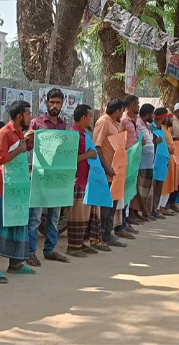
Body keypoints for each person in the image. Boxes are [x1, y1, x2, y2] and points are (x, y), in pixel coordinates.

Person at [0, 100, 35, 282]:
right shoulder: (4, 133)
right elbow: (0, 159)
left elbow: (20, 151)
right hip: (4, 189)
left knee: (17, 225)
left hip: (18, 188)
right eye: (28, 114)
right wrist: (21, 148)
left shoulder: (18, 132)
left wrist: (25, 142)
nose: (30, 117)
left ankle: (15, 264)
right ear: (19, 116)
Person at [27, 88, 70, 266]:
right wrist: (28, 139)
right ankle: (29, 252)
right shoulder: (36, 123)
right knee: (35, 217)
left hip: (57, 177)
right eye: (51, 102)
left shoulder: (63, 125)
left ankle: (50, 250)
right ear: (46, 102)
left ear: (62, 104)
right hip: (39, 175)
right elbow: (28, 147)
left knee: (54, 216)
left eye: (57, 102)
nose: (54, 105)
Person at [66, 104, 105, 257]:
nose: (91, 119)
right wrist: (88, 155)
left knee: (85, 215)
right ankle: (73, 246)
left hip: (88, 180)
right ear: (83, 117)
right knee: (77, 214)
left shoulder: (85, 134)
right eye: (90, 116)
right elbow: (70, 160)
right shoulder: (73, 135)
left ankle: (81, 243)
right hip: (78, 181)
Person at [93, 99, 127, 248]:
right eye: (122, 111)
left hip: (116, 170)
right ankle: (100, 235)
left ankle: (108, 233)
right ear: (117, 111)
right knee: (104, 206)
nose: (122, 114)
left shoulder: (116, 124)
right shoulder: (103, 122)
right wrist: (106, 167)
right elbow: (97, 146)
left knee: (112, 204)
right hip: (105, 171)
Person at [115, 95, 139, 237]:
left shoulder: (133, 120)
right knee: (123, 191)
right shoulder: (124, 121)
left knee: (129, 190)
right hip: (126, 157)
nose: (138, 107)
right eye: (137, 104)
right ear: (132, 105)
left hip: (133, 158)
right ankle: (120, 223)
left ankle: (126, 220)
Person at [131, 103, 157, 221]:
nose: (153, 116)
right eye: (152, 114)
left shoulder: (147, 125)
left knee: (146, 188)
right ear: (147, 114)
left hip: (149, 162)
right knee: (138, 188)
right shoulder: (138, 124)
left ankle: (142, 212)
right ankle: (134, 213)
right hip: (141, 162)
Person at [156, 109, 178, 216]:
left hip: (170, 159)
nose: (172, 119)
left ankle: (163, 206)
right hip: (164, 159)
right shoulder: (162, 130)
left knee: (169, 184)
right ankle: (159, 206)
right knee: (164, 184)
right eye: (170, 117)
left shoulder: (167, 129)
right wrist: (170, 147)